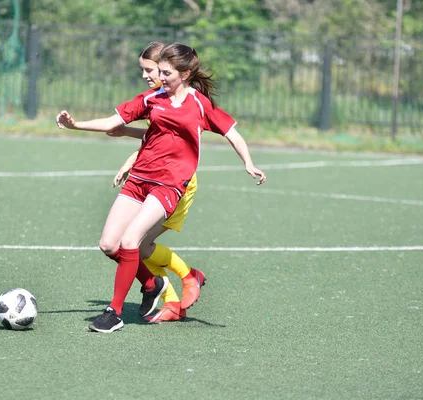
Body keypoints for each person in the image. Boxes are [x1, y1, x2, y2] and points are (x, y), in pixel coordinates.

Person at [56, 42, 267, 333]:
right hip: (140, 179)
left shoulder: (199, 104)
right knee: (108, 244)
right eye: (159, 71)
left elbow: (233, 133)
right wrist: (75, 124)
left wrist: (248, 162)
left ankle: (114, 312)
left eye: (165, 72)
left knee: (132, 241)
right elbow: (114, 121)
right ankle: (154, 283)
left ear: (185, 73)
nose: (159, 77)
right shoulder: (152, 98)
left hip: (169, 184)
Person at [107, 41, 205, 324]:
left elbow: (168, 140)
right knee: (131, 244)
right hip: (154, 175)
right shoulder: (159, 95)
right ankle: (169, 296)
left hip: (176, 182)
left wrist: (126, 135)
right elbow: (155, 137)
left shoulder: (180, 95)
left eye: (150, 69)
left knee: (136, 244)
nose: (147, 76)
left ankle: (186, 279)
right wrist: (130, 156)